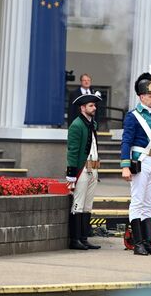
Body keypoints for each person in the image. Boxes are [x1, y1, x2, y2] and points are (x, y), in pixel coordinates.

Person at [120, 72, 151, 256]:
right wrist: (125, 165)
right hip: (140, 161)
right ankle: (138, 243)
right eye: (150, 96)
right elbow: (126, 141)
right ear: (141, 97)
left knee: (149, 203)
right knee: (138, 202)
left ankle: (148, 242)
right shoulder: (133, 116)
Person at [66, 93, 103, 250]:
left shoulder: (92, 124)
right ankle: (75, 240)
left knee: (88, 205)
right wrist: (71, 175)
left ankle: (84, 237)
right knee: (78, 205)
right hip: (81, 170)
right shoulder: (76, 125)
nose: (94, 108)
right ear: (82, 108)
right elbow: (72, 151)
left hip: (93, 167)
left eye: (94, 105)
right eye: (90, 106)